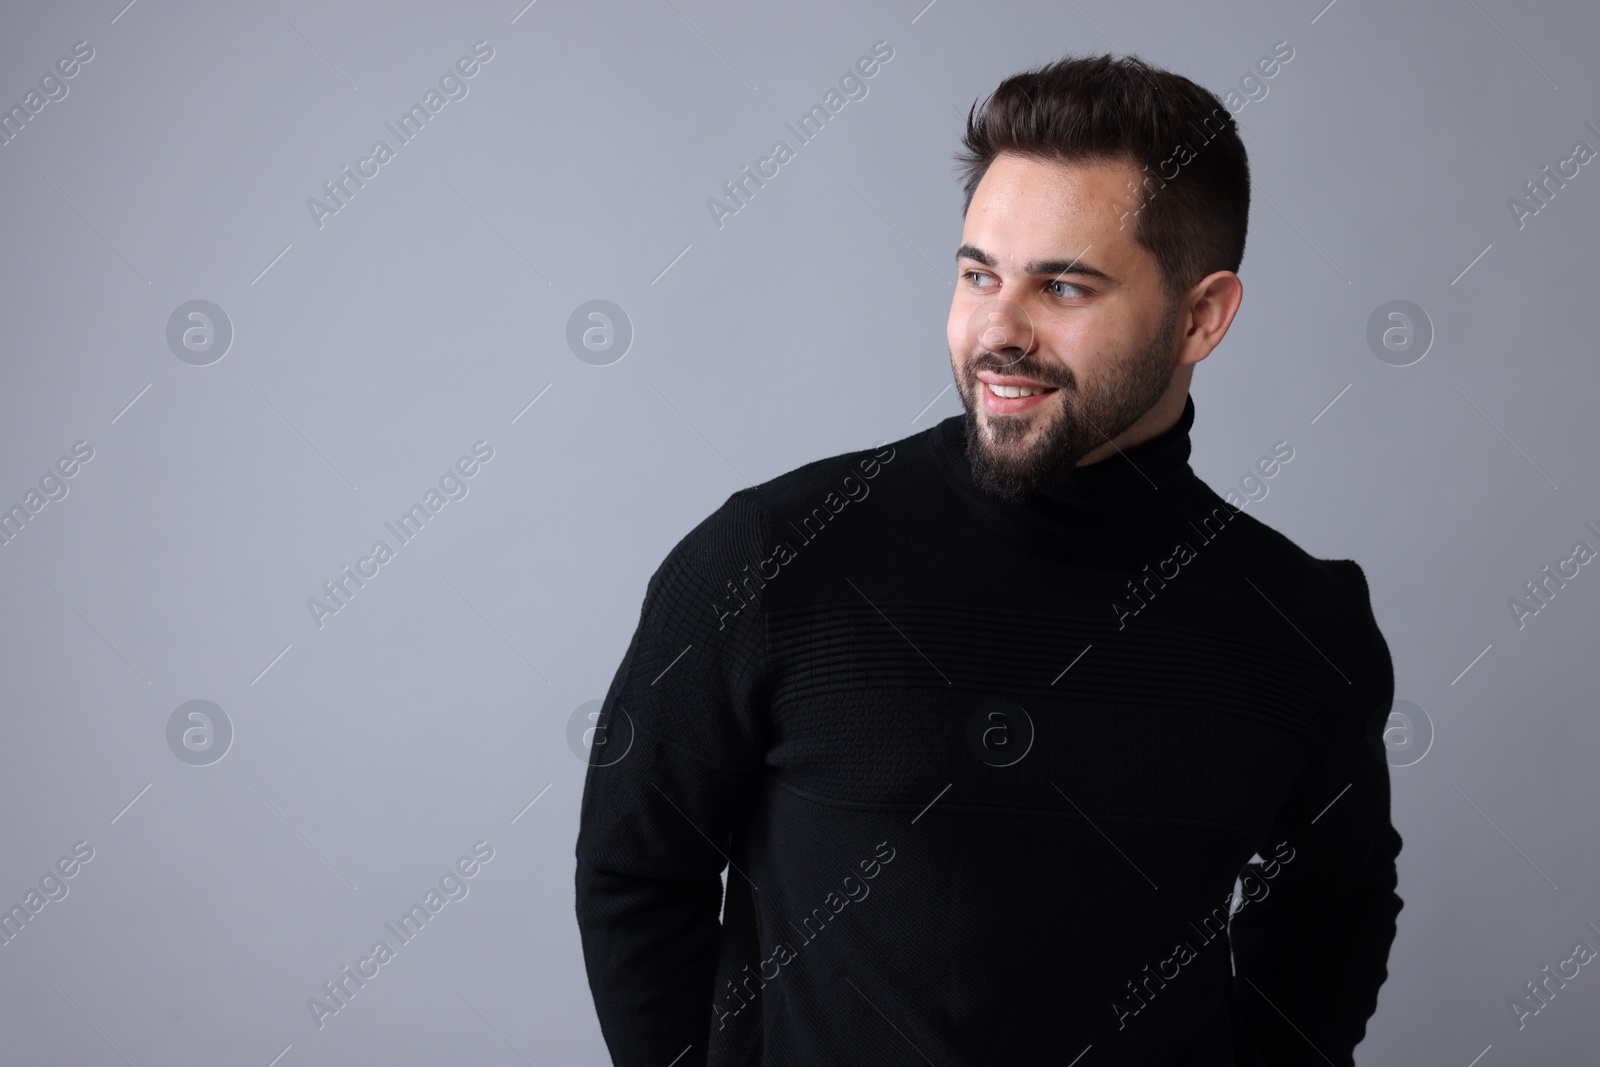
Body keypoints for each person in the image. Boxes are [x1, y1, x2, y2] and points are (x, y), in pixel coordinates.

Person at [575, 52, 1402, 1066]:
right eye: (978, 274)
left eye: (1062, 284)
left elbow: (1335, 906)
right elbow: (634, 869)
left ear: (1200, 314)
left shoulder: (1300, 625)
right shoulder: (773, 558)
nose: (996, 331)